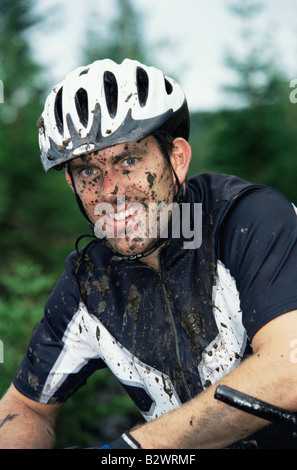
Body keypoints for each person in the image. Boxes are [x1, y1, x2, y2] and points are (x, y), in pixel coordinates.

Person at [0, 58, 297, 450]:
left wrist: (137, 448)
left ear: (177, 159)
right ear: (72, 183)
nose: (111, 190)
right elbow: (24, 406)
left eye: (129, 160)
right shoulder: (89, 283)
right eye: (89, 171)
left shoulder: (247, 219)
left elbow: (289, 368)